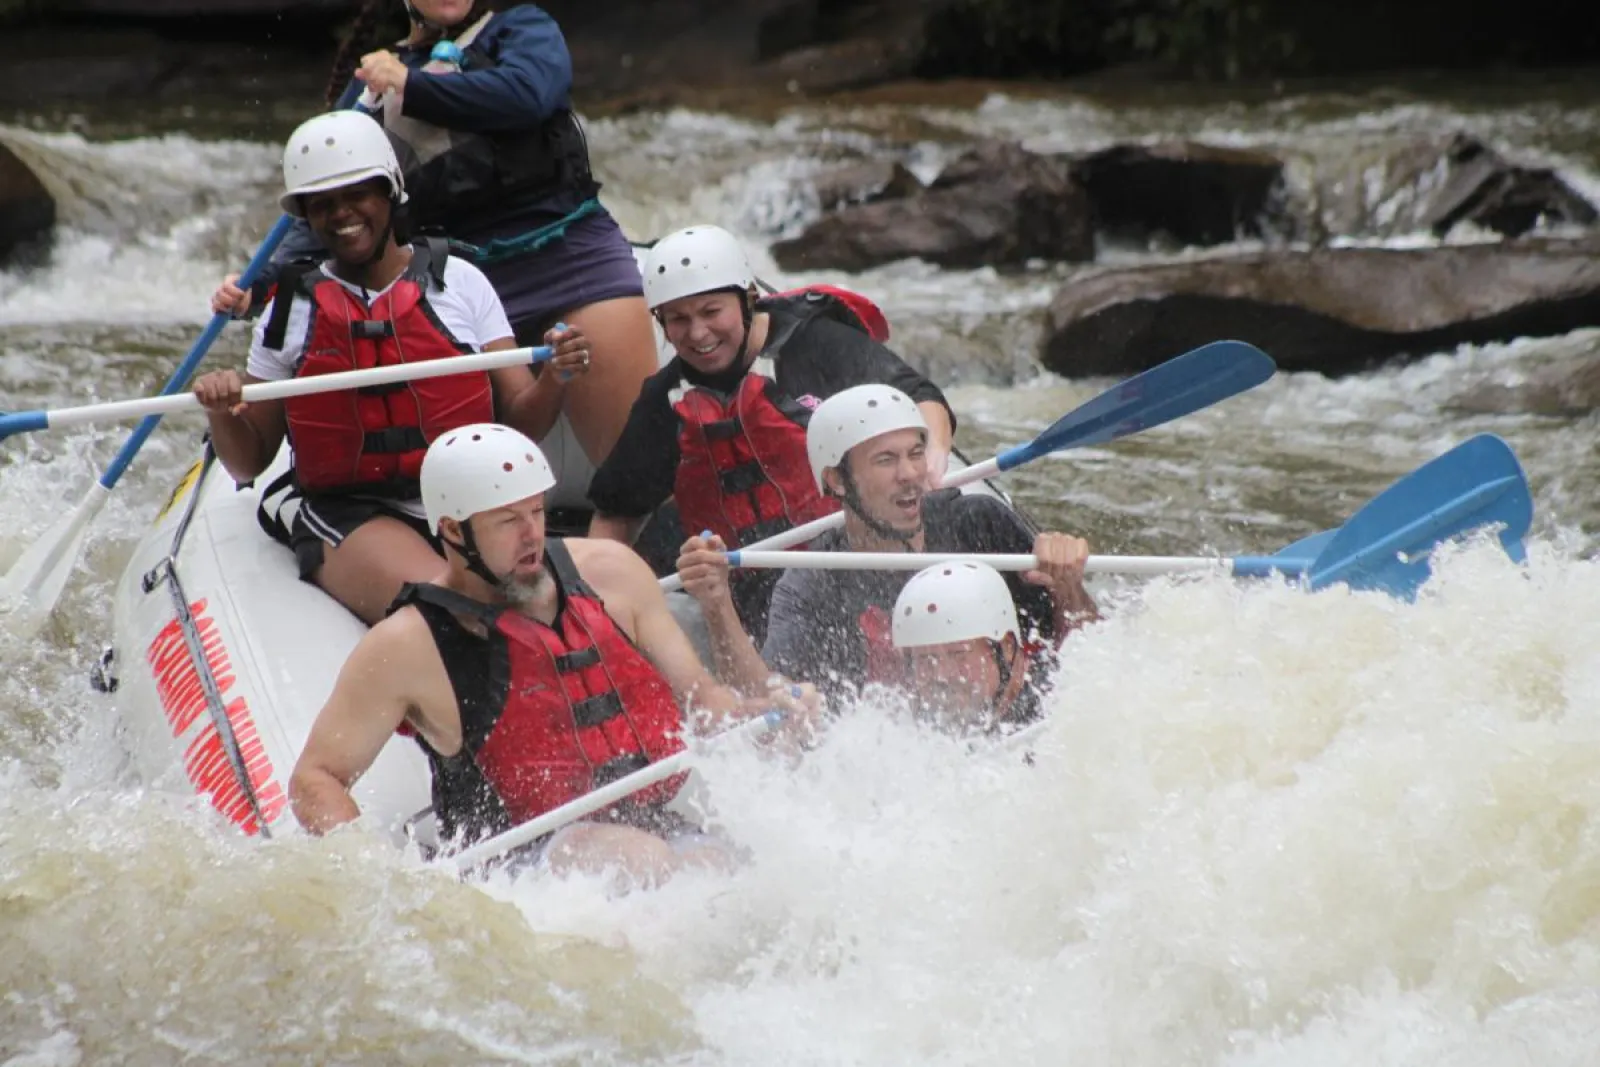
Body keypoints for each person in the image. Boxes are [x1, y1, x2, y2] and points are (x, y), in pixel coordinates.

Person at [289, 424, 820, 884]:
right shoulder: (409, 643)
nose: (532, 535)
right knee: (639, 860)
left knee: (721, 865)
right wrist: (384, 878)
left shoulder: (611, 571)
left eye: (537, 512)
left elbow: (703, 700)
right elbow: (315, 780)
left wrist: (764, 717)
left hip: (654, 829)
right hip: (515, 865)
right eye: (506, 521)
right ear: (453, 530)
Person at [197, 110, 591, 625]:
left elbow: (519, 422)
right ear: (308, 217)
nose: (342, 214)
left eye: (358, 194)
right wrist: (223, 411)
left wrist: (554, 379)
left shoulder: (462, 283)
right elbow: (250, 461)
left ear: (390, 193)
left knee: (546, 603)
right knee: (452, 613)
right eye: (323, 204)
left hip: (464, 494)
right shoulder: (287, 307)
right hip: (351, 508)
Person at [305, 0, 660, 469]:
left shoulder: (524, 31)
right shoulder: (371, 87)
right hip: (456, 284)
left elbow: (528, 95)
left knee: (639, 469)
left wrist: (412, 85)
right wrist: (260, 283)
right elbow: (334, 204)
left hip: (569, 256)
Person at [587, 224, 957, 640]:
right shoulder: (667, 399)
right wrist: (600, 605)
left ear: (747, 299)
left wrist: (934, 455)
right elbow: (616, 512)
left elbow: (920, 397)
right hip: (753, 601)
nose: (697, 334)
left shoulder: (814, 345)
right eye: (678, 319)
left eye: (712, 312)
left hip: (861, 566)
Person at [675, 384, 1100, 713]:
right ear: (837, 481)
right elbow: (769, 708)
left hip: (1029, 740)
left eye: (916, 454)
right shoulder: (814, 580)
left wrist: (1069, 586)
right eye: (885, 460)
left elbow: (1095, 653)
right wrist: (718, 606)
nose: (910, 474)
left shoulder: (980, 523)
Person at [889, 561, 1040, 734]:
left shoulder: (1054, 713)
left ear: (1007, 649)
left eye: (958, 654)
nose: (941, 675)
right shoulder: (900, 733)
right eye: (924, 659)